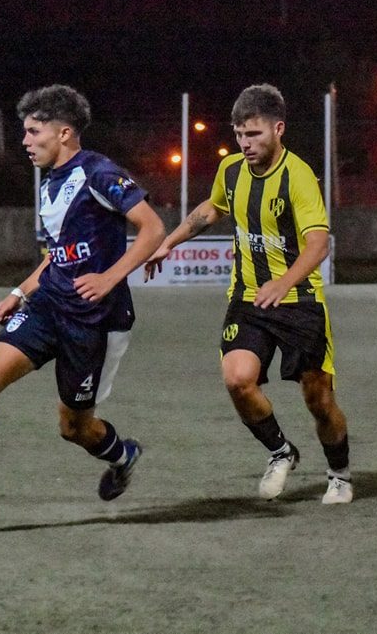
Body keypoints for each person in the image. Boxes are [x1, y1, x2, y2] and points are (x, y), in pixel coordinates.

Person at [0, 84, 166, 524]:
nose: (25, 141)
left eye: (34, 132)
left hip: (95, 320)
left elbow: (152, 228)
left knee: (74, 428)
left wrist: (111, 277)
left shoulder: (99, 173)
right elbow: (58, 254)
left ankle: (123, 454)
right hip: (49, 304)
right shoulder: (50, 183)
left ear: (65, 133)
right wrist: (20, 292)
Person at [145, 84, 353, 504]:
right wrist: (170, 241)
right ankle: (281, 452)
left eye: (254, 134)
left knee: (318, 398)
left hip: (300, 302)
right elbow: (210, 209)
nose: (245, 143)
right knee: (238, 380)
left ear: (278, 129)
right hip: (247, 298)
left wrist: (285, 281)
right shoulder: (232, 170)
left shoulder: (299, 177)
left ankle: (340, 474)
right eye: (239, 135)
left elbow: (318, 244)